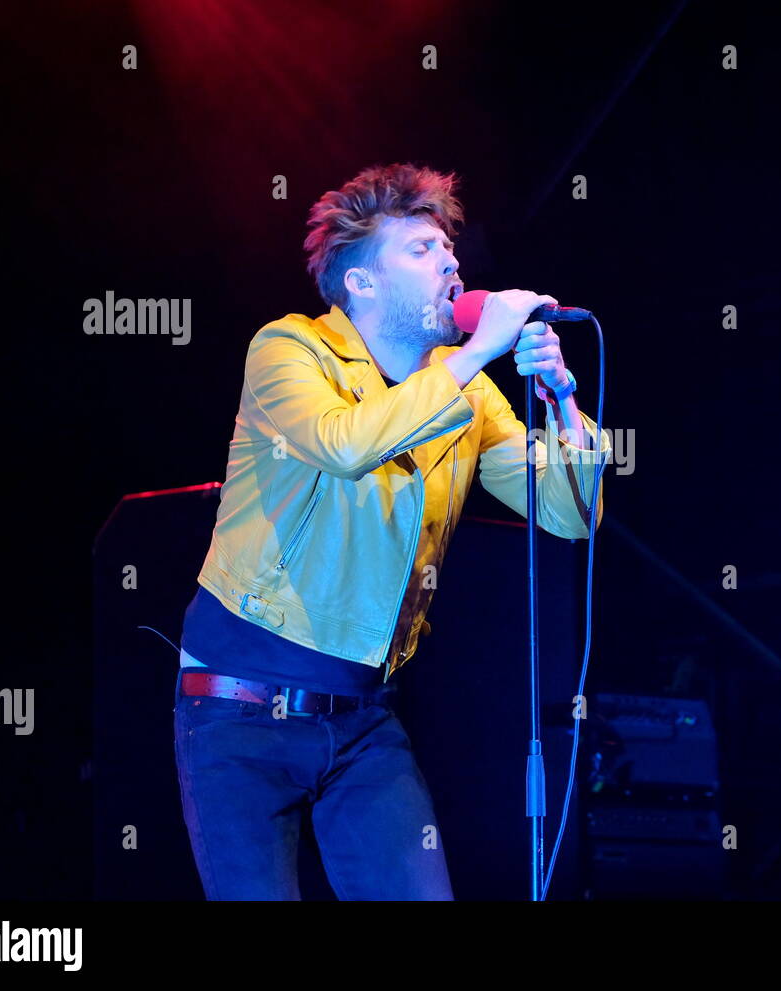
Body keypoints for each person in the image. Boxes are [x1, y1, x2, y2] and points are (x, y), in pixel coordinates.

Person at [172, 162, 611, 900]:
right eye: (419, 248)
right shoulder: (289, 349)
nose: (449, 261)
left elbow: (570, 514)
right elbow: (344, 443)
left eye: (448, 249)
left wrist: (562, 403)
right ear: (361, 283)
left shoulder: (464, 389)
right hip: (238, 710)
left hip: (363, 719)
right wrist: (475, 358)